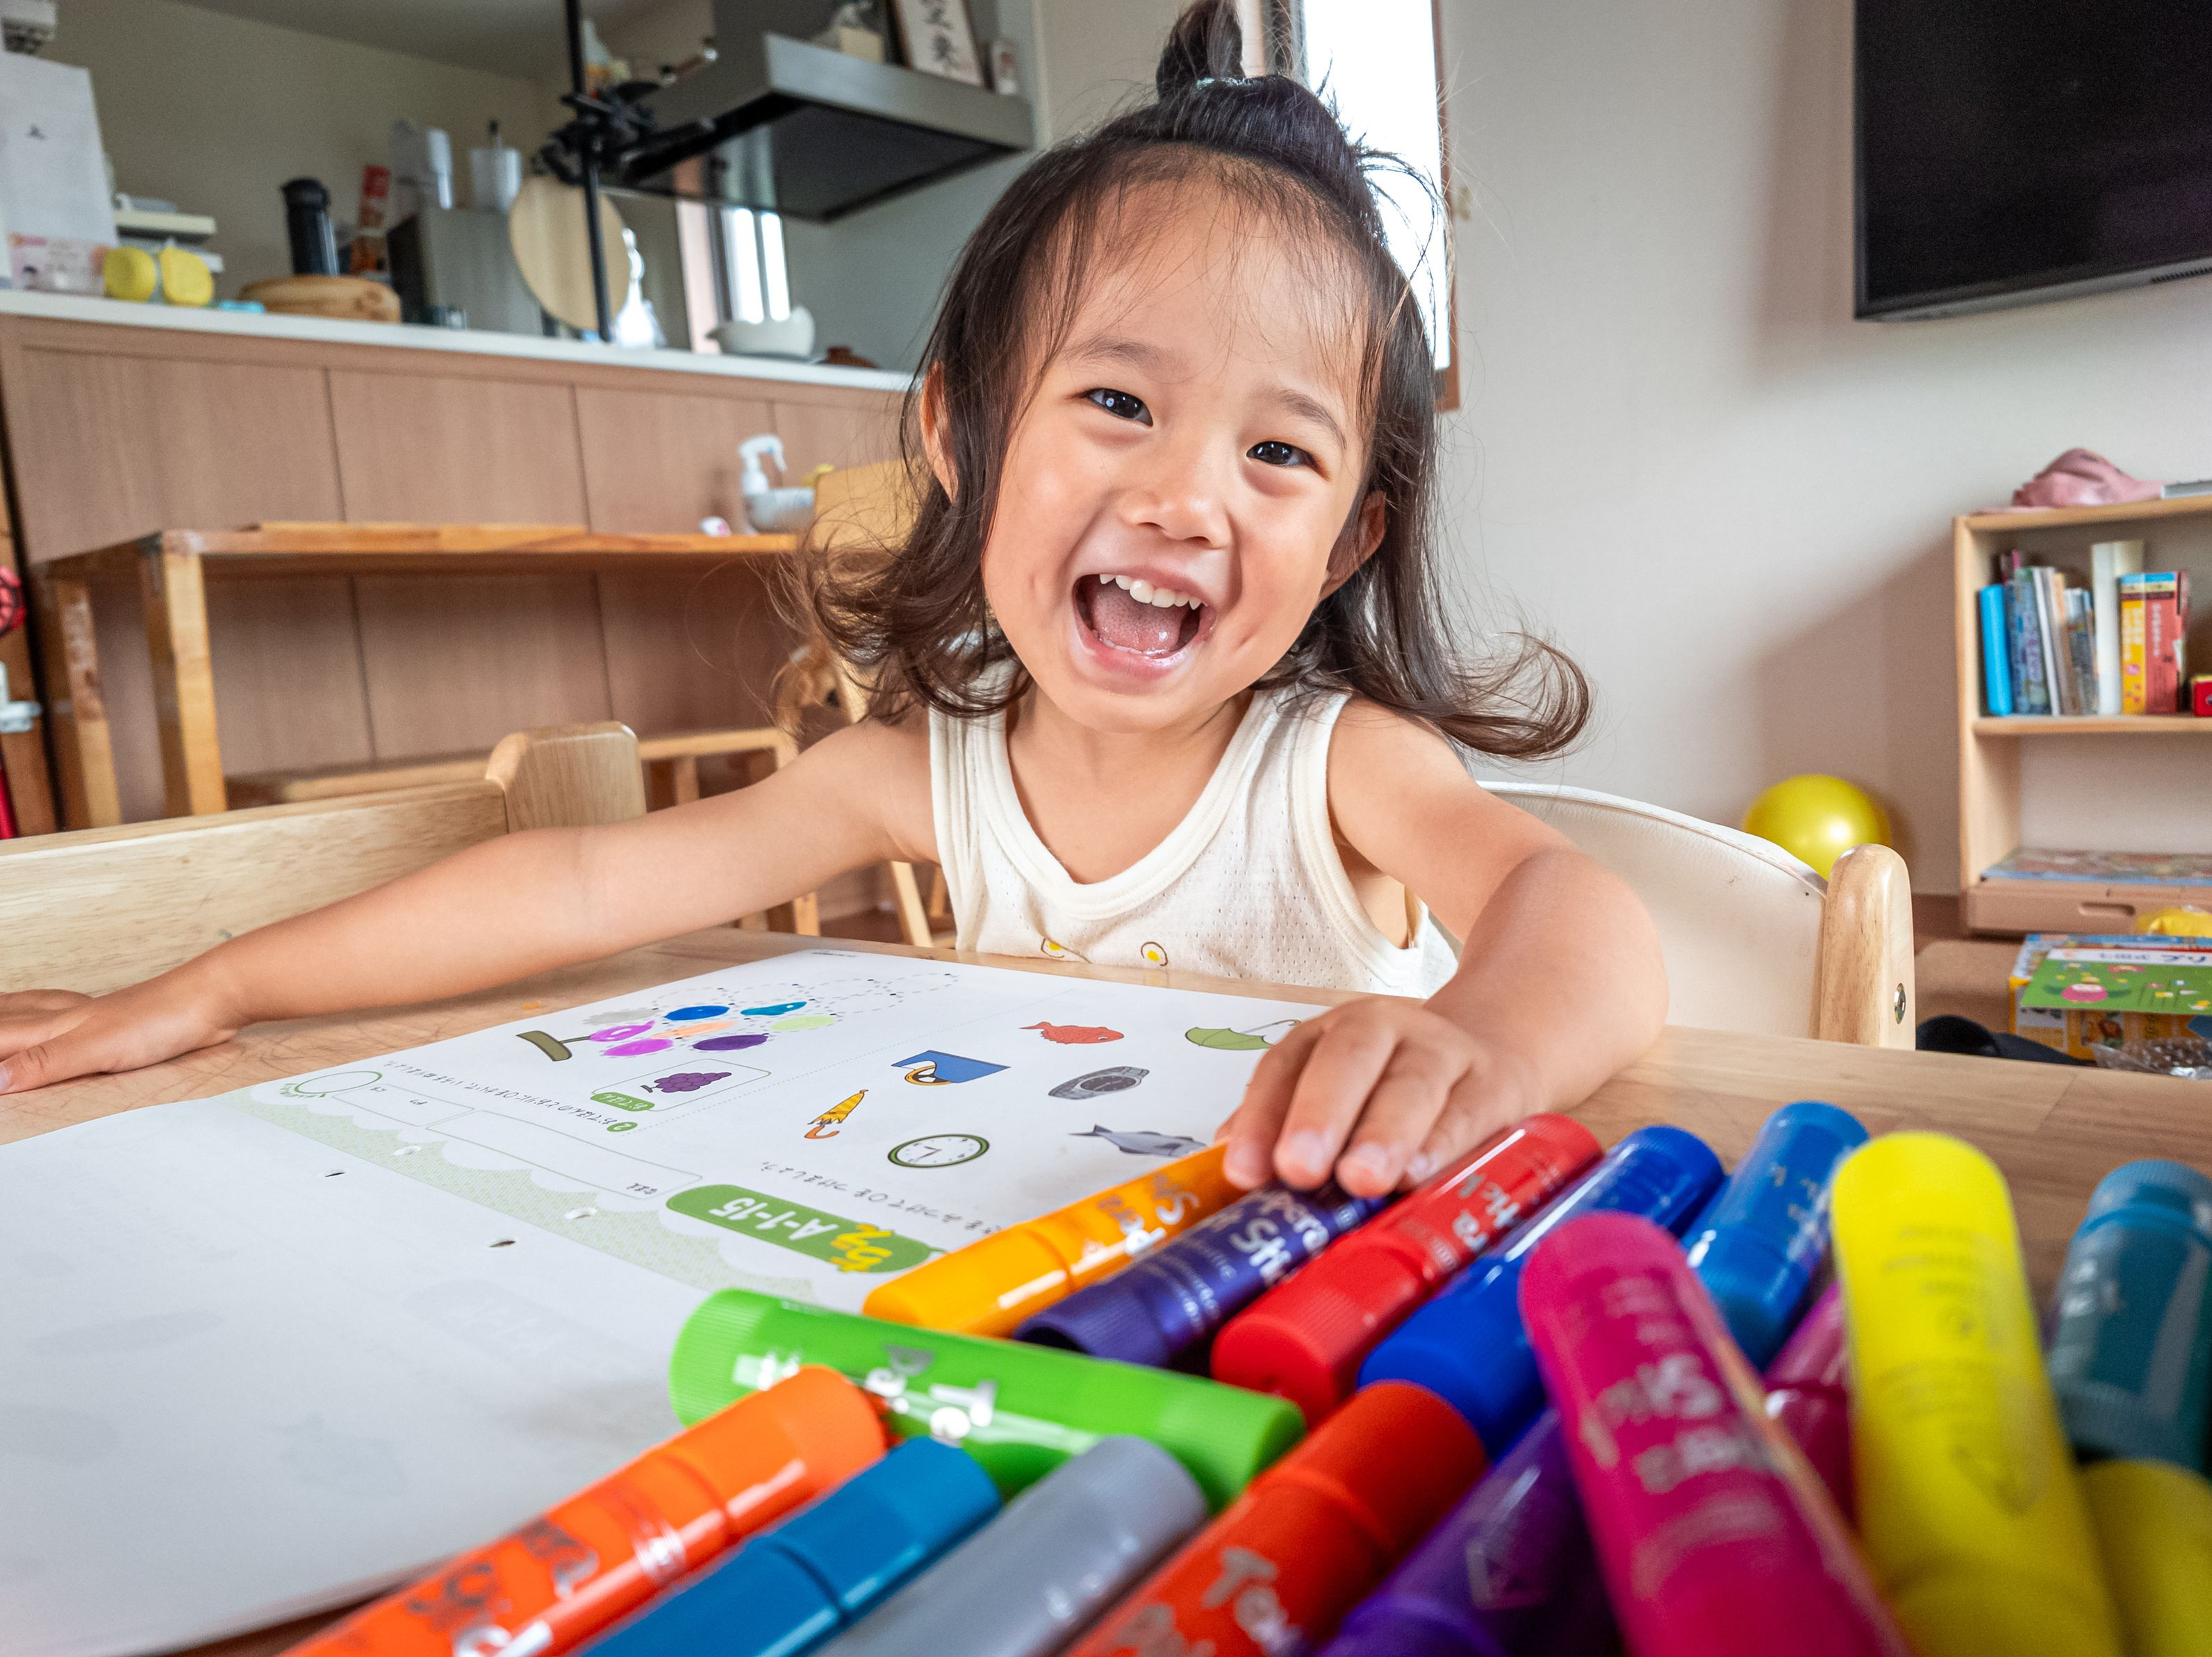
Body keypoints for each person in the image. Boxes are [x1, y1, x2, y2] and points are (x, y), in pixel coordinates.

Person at [0, 1, 1665, 1197]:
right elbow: (580, 878)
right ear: (957, 434)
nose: (1185, 496)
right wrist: (213, 986)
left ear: (1350, 543)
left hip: (1331, 1272)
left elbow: (1578, 913)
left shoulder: (1333, 766)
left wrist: (1482, 1045)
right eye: (1116, 401)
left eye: (1277, 453)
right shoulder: (914, 774)